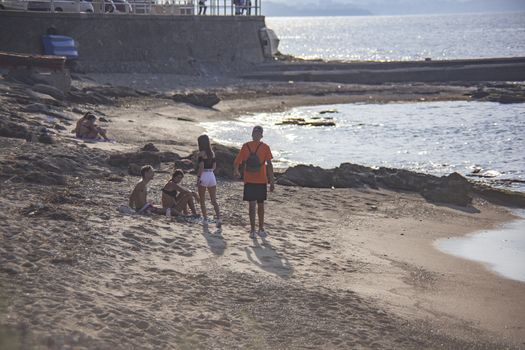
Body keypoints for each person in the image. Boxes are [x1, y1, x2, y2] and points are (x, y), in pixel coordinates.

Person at [233, 125, 275, 239]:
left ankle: (253, 230)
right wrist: (272, 181)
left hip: (252, 180)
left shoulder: (246, 146)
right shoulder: (265, 147)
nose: (256, 135)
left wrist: (237, 171)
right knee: (259, 205)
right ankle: (259, 229)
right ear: (261, 135)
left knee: (253, 205)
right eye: (256, 133)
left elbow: (237, 162)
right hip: (260, 180)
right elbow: (269, 165)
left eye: (256, 133)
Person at [196, 135, 222, 228]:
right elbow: (214, 166)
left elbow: (201, 167)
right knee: (213, 200)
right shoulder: (212, 153)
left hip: (204, 175)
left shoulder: (201, 154)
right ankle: (219, 219)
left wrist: (198, 178)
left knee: (202, 200)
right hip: (211, 175)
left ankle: (205, 220)